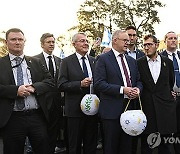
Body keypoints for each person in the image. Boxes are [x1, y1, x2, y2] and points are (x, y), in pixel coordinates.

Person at [0, 28, 55, 154]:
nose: (17, 42)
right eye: (13, 39)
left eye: (20, 39)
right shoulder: (1, 63)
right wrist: (15, 91)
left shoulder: (36, 61)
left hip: (36, 117)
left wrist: (34, 87)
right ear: (6, 42)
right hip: (12, 119)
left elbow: (50, 82)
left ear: (25, 42)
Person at [94, 30, 142, 154]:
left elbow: (138, 81)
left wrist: (137, 89)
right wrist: (122, 90)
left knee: (127, 147)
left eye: (129, 40)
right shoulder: (103, 59)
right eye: (125, 40)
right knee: (111, 147)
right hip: (111, 112)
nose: (128, 42)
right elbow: (99, 84)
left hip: (130, 110)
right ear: (115, 40)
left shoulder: (132, 61)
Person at [58, 32, 98, 154]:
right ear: (74, 44)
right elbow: (61, 85)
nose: (86, 43)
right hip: (75, 112)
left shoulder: (94, 61)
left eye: (87, 41)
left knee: (91, 144)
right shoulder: (66, 62)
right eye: (82, 41)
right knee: (74, 145)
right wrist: (79, 84)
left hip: (93, 111)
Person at [137, 34, 177, 154]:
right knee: (147, 145)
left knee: (165, 146)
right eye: (144, 45)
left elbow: (169, 82)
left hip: (165, 109)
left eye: (149, 44)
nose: (146, 47)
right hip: (147, 109)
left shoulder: (167, 62)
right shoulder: (139, 63)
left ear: (157, 45)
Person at [34, 33, 65, 154]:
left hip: (57, 103)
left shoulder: (60, 61)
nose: (52, 44)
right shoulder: (34, 60)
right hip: (41, 103)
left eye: (53, 42)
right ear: (42, 44)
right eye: (49, 42)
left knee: (54, 132)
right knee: (41, 134)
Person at [161, 31, 180, 154]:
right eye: (170, 38)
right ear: (165, 41)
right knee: (167, 128)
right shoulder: (159, 57)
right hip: (168, 99)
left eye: (175, 38)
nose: (173, 40)